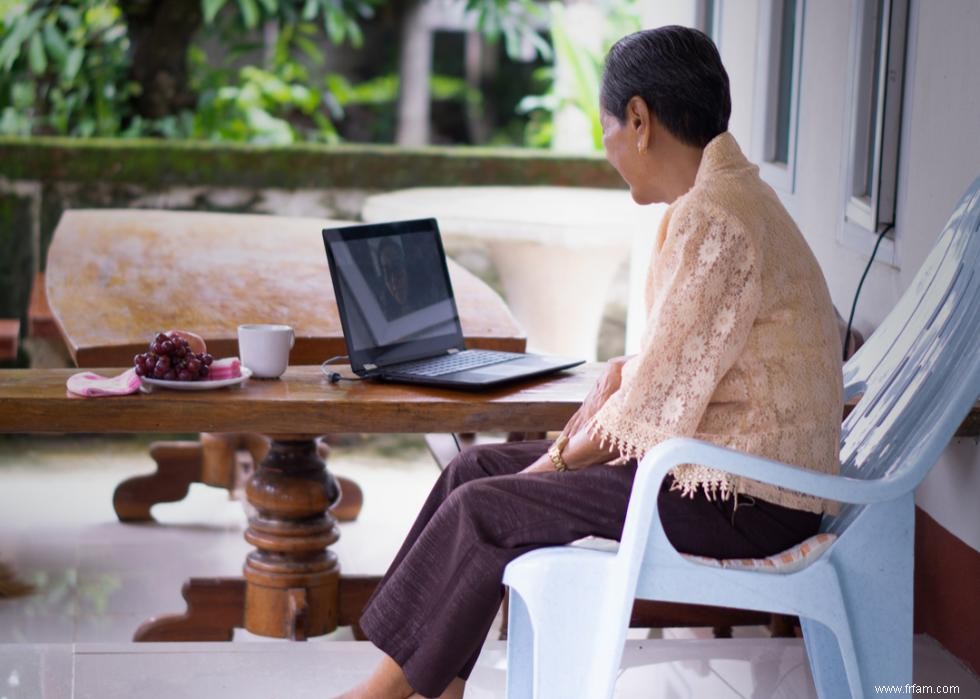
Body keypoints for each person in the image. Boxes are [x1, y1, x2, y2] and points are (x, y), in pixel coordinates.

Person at [335, 25, 843, 699]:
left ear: (639, 119)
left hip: (742, 499)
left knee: (490, 505)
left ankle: (388, 691)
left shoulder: (717, 215)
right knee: (473, 466)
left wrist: (557, 463)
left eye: (607, 128)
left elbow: (653, 410)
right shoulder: (730, 197)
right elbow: (701, 348)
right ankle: (440, 681)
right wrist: (625, 368)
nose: (607, 149)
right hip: (728, 480)